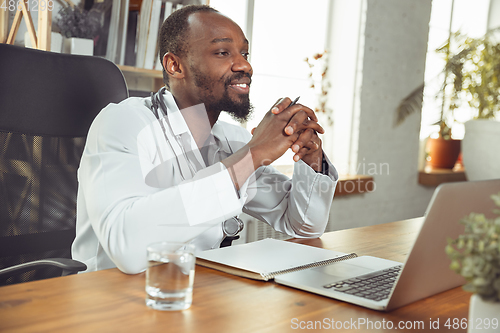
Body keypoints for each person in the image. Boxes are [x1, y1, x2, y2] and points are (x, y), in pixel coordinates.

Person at [72, 5, 338, 274]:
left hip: (199, 297)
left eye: (244, 53)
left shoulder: (231, 139)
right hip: (111, 302)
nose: (245, 65)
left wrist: (311, 159)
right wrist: (254, 154)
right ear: (175, 65)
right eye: (223, 52)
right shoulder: (124, 122)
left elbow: (302, 225)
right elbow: (128, 250)